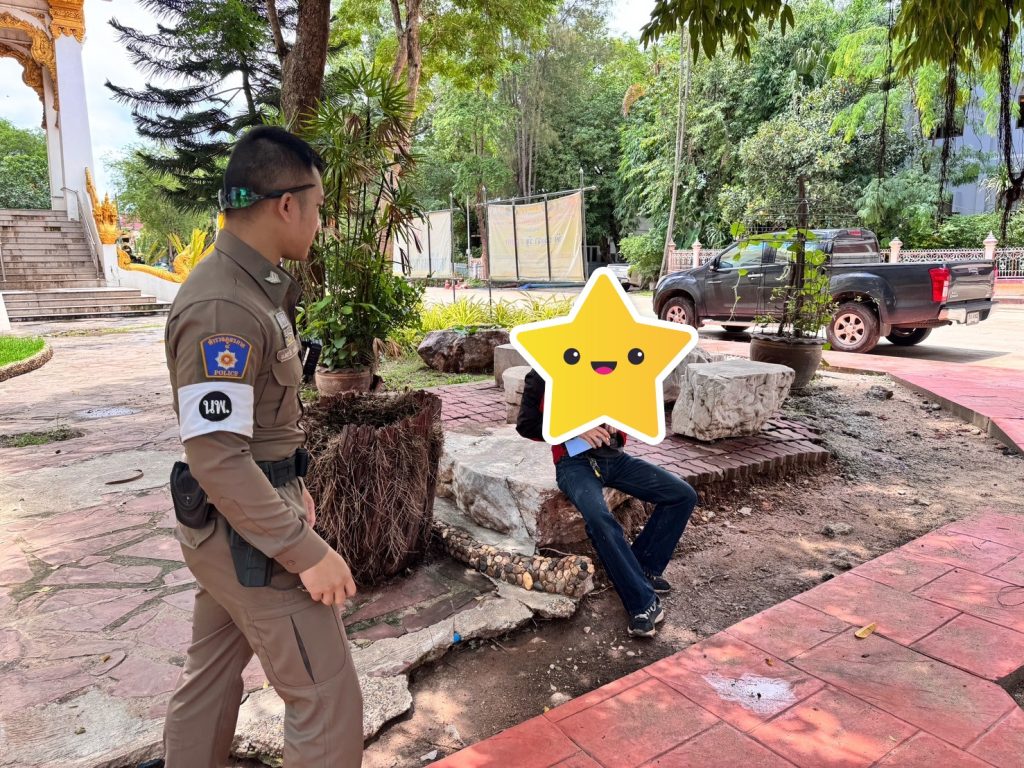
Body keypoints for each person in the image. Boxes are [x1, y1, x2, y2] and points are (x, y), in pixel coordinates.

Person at [143, 126, 363, 768]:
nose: (320, 221)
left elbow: (260, 425)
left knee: (211, 677)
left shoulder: (248, 290)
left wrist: (296, 484)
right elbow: (216, 456)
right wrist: (306, 552)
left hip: (241, 521)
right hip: (248, 538)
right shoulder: (224, 307)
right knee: (325, 699)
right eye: (317, 206)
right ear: (286, 204)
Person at [516, 369, 698, 637]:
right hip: (573, 465)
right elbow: (526, 424)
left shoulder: (611, 363)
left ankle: (643, 569)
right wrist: (575, 430)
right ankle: (642, 603)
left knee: (682, 495)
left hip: (615, 459)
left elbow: (627, 404)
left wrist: (616, 421)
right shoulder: (543, 371)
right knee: (599, 519)